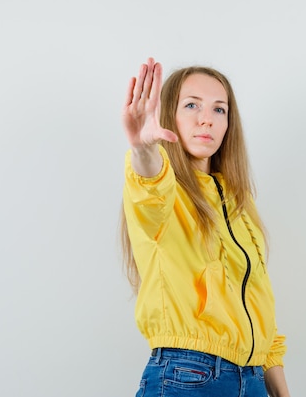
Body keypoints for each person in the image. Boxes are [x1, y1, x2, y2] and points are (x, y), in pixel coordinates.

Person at [119, 57, 291, 397]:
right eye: (191, 105)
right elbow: (150, 185)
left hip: (253, 381)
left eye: (219, 110)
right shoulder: (164, 191)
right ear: (169, 115)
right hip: (187, 377)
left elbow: (261, 313)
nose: (205, 120)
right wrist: (141, 147)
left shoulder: (240, 204)